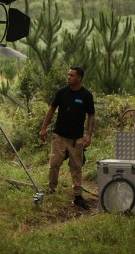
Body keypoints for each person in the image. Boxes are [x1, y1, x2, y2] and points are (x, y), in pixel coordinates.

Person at [39, 66, 95, 209]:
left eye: (71, 75)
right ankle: (51, 189)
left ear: (79, 78)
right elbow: (51, 110)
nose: (68, 77)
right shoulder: (61, 93)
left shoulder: (86, 96)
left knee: (76, 167)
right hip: (60, 136)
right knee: (54, 164)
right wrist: (43, 128)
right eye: (68, 75)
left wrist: (88, 135)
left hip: (77, 139)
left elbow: (91, 115)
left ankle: (78, 196)